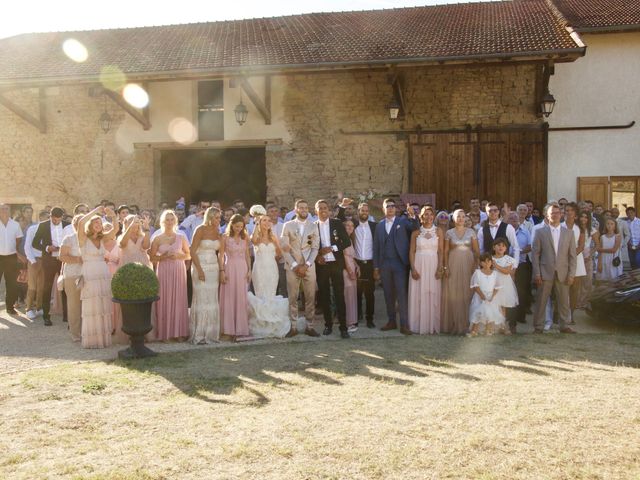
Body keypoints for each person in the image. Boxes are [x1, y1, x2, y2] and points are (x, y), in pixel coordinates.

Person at [373, 198, 419, 335]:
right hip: (385, 264)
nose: (391, 208)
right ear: (383, 209)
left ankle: (404, 324)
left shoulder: (403, 221)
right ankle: (391, 321)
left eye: (393, 206)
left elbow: (416, 228)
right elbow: (376, 248)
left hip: (399, 263)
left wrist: (413, 216)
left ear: (396, 209)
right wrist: (376, 267)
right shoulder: (379, 225)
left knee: (401, 294)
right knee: (388, 294)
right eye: (388, 206)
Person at [531, 202, 577, 334]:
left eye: (558, 213)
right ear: (547, 215)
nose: (555, 215)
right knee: (541, 301)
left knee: (563, 301)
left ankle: (564, 325)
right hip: (545, 272)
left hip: (563, 272)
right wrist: (537, 274)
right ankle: (538, 326)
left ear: (561, 214)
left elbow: (572, 256)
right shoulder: (540, 232)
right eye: (552, 213)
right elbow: (535, 255)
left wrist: (571, 274)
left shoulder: (569, 233)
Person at [280, 199, 320, 337]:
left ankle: (310, 326)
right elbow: (284, 249)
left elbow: (315, 248)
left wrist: (307, 265)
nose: (304, 210)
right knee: (293, 297)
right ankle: (293, 326)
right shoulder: (287, 225)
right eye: (301, 208)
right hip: (292, 266)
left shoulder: (313, 226)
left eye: (306, 208)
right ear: (295, 209)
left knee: (310, 297)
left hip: (309, 266)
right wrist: (295, 265)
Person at [247, 210, 291, 338]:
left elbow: (279, 252)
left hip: (272, 268)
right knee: (261, 294)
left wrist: (274, 256)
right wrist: (256, 225)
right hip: (259, 268)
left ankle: (271, 324)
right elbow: (254, 241)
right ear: (259, 222)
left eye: (268, 220)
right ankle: (261, 323)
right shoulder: (255, 236)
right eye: (263, 220)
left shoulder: (273, 237)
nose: (267, 222)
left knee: (271, 294)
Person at [77, 206, 116, 348]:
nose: (99, 225)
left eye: (100, 223)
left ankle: (104, 339)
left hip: (102, 272)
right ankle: (92, 340)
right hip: (89, 272)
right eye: (96, 223)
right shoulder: (83, 238)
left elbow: (115, 230)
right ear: (91, 225)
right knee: (91, 306)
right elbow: (81, 223)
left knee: (102, 305)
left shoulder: (103, 238)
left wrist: (113, 216)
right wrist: (95, 211)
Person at [150, 210, 191, 341]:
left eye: (171, 219)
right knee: (164, 299)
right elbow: (151, 258)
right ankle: (165, 334)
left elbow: (189, 255)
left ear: (175, 221)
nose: (169, 222)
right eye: (167, 220)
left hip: (178, 269)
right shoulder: (157, 238)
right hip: (163, 270)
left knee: (179, 299)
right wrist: (162, 257)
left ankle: (179, 332)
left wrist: (179, 256)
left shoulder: (181, 237)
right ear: (162, 222)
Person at [314, 199, 352, 338]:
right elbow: (309, 246)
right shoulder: (313, 226)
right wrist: (318, 254)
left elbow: (346, 241)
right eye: (320, 208)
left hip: (336, 264)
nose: (323, 210)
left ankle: (343, 328)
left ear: (329, 210)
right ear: (316, 211)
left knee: (339, 296)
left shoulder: (336, 223)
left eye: (325, 208)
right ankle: (328, 325)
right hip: (322, 265)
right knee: (324, 297)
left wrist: (332, 248)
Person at [337, 199, 377, 328]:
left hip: (370, 263)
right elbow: (339, 220)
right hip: (356, 263)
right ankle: (357, 316)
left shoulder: (374, 226)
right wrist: (343, 206)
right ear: (358, 212)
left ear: (368, 212)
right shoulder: (353, 224)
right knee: (357, 293)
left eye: (366, 210)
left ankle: (369, 319)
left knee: (370, 293)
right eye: (362, 210)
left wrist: (377, 266)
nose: (364, 212)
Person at [442, 209, 479, 335]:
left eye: (463, 216)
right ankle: (454, 324)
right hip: (453, 263)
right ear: (454, 219)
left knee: (467, 292)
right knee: (454, 292)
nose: (461, 219)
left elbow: (476, 251)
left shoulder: (471, 232)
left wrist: (475, 265)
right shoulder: (448, 233)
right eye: (458, 216)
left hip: (468, 264)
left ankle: (466, 324)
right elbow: (445, 251)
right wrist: (446, 267)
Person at [31, 207, 70, 325]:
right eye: (54, 219)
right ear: (50, 216)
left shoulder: (68, 225)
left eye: (58, 220)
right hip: (49, 260)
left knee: (65, 287)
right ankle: (46, 316)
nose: (56, 221)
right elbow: (35, 243)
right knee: (46, 287)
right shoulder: (43, 225)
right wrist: (47, 247)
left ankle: (66, 315)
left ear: (62, 217)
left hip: (64, 260)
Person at [189, 207, 222, 344]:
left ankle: (211, 334)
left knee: (212, 300)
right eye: (216, 217)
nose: (218, 220)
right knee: (202, 299)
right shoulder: (200, 229)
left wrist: (221, 270)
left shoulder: (218, 232)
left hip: (214, 268)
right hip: (200, 266)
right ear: (210, 217)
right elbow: (192, 251)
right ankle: (199, 335)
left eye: (220, 218)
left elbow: (220, 253)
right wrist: (200, 270)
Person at [408, 205, 443, 334]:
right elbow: (411, 251)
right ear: (421, 217)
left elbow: (440, 251)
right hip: (419, 263)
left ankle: (431, 324)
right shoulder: (416, 233)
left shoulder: (438, 231)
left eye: (431, 214)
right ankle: (418, 325)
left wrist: (440, 267)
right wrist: (413, 268)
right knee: (419, 294)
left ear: (434, 216)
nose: (428, 217)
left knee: (432, 292)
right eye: (426, 214)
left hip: (433, 263)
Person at [219, 214, 251, 340]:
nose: (239, 229)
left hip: (242, 268)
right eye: (237, 226)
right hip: (230, 267)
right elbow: (220, 255)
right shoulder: (225, 237)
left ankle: (240, 328)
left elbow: (248, 255)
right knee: (229, 297)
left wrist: (249, 270)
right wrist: (222, 270)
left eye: (241, 227)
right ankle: (227, 329)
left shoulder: (245, 237)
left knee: (241, 297)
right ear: (231, 225)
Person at [506, 211, 531, 331]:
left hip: (520, 265)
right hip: (505, 266)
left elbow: (530, 246)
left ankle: (519, 316)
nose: (513, 221)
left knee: (520, 292)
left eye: (515, 219)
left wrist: (518, 252)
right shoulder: (504, 230)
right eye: (511, 219)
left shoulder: (525, 231)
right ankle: (507, 318)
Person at [59, 214, 83, 342]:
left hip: (88, 274)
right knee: (74, 305)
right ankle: (75, 333)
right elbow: (62, 256)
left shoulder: (91, 239)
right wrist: (78, 259)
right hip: (73, 274)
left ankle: (88, 331)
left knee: (87, 304)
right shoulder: (69, 239)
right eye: (80, 223)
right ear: (74, 225)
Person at [562, 202, 586, 324]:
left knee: (574, 290)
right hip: (561, 262)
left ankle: (571, 315)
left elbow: (581, 246)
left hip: (576, 261)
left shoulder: (580, 228)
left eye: (571, 210)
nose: (569, 212)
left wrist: (570, 257)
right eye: (566, 210)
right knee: (561, 289)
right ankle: (561, 315)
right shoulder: (559, 226)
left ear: (575, 213)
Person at [468, 253, 503, 336]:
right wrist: (482, 296)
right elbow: (475, 286)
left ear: (491, 262)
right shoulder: (477, 273)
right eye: (484, 262)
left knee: (490, 313)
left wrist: (492, 296)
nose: (486, 263)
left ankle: (488, 329)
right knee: (478, 312)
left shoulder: (495, 274)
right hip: (480, 296)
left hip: (491, 297)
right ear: (480, 263)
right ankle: (474, 330)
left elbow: (497, 287)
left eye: (488, 261)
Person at [0, 203, 26, 315]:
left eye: (7, 209)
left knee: (11, 283)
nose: (5, 211)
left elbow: (18, 239)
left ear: (9, 211)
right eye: (2, 209)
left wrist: (14, 251)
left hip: (11, 257)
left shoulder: (15, 224)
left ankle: (10, 307)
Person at [24, 210, 49, 320]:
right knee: (32, 286)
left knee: (41, 286)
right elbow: (27, 246)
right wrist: (32, 260)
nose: (49, 219)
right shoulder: (32, 229)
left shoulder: (50, 230)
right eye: (47, 217)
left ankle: (39, 308)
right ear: (41, 217)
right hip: (34, 260)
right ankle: (29, 309)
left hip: (45, 260)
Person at [491, 237, 518, 335]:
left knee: (503, 306)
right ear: (494, 247)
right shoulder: (490, 258)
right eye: (498, 245)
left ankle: (502, 326)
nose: (501, 247)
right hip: (492, 284)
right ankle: (493, 326)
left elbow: (507, 272)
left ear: (506, 248)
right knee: (493, 304)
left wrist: (496, 265)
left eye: (503, 246)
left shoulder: (509, 259)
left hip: (504, 284)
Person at [342, 219, 359, 333]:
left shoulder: (350, 239)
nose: (350, 227)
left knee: (352, 295)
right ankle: (348, 323)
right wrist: (350, 271)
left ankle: (352, 321)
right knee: (348, 296)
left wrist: (357, 266)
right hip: (346, 271)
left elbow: (352, 257)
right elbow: (343, 257)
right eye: (347, 225)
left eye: (352, 226)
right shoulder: (342, 239)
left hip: (352, 269)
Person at [267, 204, 288, 297]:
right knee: (271, 285)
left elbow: (286, 242)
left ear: (279, 213)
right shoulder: (264, 227)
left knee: (284, 284)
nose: (274, 213)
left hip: (283, 259)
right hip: (269, 260)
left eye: (276, 211)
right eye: (271, 211)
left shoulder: (284, 226)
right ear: (267, 213)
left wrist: (280, 254)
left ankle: (285, 307)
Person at [577, 210, 597, 309]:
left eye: (586, 217)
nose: (583, 219)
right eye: (582, 216)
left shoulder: (592, 230)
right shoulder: (575, 228)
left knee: (587, 281)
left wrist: (590, 254)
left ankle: (584, 302)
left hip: (587, 255)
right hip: (576, 254)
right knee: (577, 280)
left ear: (588, 219)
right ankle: (576, 302)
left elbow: (598, 245)